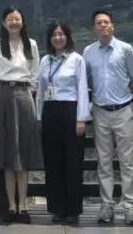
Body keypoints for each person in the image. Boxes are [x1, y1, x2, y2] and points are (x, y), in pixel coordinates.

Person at [83, 8, 133, 225]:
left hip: (124, 110)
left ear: (113, 26)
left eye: (106, 22)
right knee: (104, 161)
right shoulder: (88, 52)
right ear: (94, 28)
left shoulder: (126, 49)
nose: (103, 25)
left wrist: (123, 95)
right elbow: (87, 80)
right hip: (100, 111)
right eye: (99, 23)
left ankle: (130, 207)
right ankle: (106, 205)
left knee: (128, 162)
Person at [0, 6, 44, 224]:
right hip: (3, 94)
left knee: (23, 151)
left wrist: (28, 94)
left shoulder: (31, 44)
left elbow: (36, 74)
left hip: (24, 95)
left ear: (23, 22)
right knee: (8, 152)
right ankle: (11, 206)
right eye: (10, 19)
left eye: (17, 18)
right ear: (3, 23)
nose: (14, 22)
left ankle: (23, 205)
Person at [35, 21, 89, 225]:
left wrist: (81, 118)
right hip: (50, 112)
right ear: (50, 39)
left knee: (73, 163)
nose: (58, 38)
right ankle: (57, 209)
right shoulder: (45, 61)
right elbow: (40, 91)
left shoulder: (77, 60)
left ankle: (73, 210)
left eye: (61, 34)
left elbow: (82, 89)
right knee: (53, 163)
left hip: (70, 111)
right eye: (54, 35)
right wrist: (39, 117)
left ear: (67, 37)